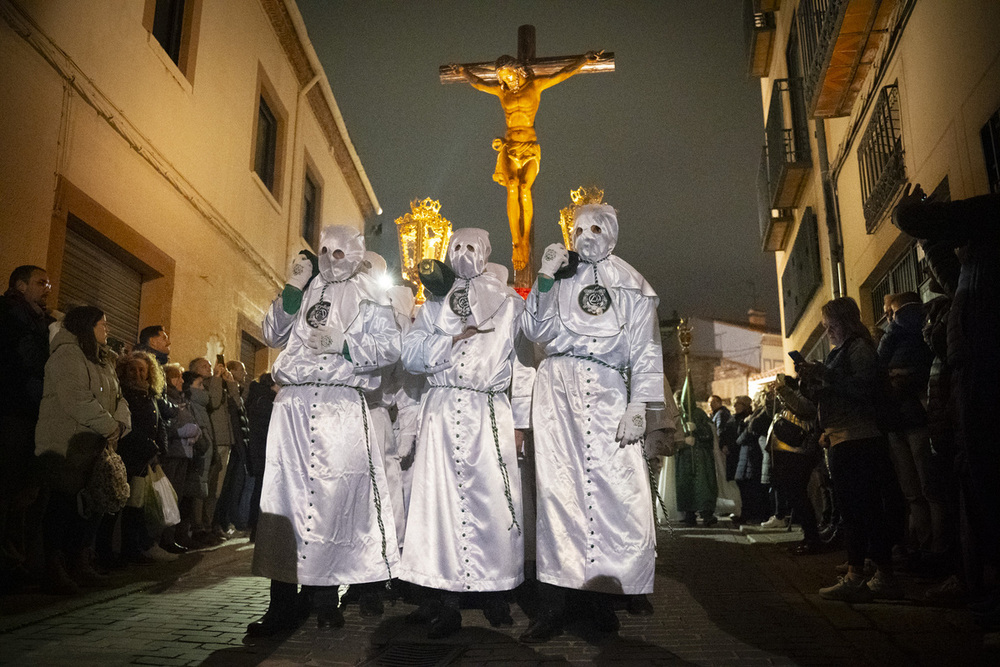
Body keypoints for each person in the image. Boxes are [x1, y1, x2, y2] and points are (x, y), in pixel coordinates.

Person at [520, 203, 665, 640]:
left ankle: (604, 600)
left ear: (612, 233)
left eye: (595, 226)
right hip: (557, 391)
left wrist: (639, 405)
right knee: (557, 494)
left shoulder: (634, 286)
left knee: (614, 495)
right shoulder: (557, 277)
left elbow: (645, 350)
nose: (585, 234)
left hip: (606, 391)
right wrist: (543, 278)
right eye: (577, 227)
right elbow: (533, 331)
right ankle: (554, 604)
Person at [249, 225, 401, 636]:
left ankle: (324, 595)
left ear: (355, 255)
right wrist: (293, 287)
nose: (330, 259)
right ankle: (280, 601)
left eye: (340, 253)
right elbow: (270, 333)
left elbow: (391, 348)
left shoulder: (372, 293)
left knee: (334, 501)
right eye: (324, 251)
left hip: (341, 405)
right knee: (285, 502)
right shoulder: (306, 287)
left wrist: (346, 345)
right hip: (294, 405)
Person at [398, 228, 533, 639]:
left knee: (491, 502)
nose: (462, 254)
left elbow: (524, 367)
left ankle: (495, 593)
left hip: (487, 410)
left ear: (487, 252)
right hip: (440, 410)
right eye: (455, 247)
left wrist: (521, 425)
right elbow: (410, 354)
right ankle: (443, 599)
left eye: (471, 247)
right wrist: (448, 339)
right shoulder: (434, 303)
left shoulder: (510, 304)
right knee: (440, 505)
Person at [893, 187, 1000, 623]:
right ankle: (988, 587)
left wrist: (914, 214)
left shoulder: (990, 221)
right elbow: (953, 278)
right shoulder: (977, 266)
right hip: (971, 374)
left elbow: (917, 221)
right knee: (978, 485)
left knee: (984, 482)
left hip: (986, 370)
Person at [448, 51, 602, 271]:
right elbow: (479, 83)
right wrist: (464, 72)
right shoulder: (503, 94)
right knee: (512, 187)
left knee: (523, 188)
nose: (506, 79)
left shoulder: (535, 86)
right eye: (502, 77)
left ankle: (525, 238)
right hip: (510, 148)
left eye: (509, 74)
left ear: (518, 70)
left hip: (529, 148)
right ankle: (516, 241)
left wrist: (584, 60)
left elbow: (563, 73)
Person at [796, 297, 902, 602]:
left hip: (858, 437)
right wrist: (809, 381)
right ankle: (874, 573)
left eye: (829, 323)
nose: (826, 329)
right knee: (858, 509)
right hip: (844, 437)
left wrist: (825, 376)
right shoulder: (843, 350)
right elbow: (830, 394)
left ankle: (862, 576)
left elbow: (863, 388)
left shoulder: (858, 348)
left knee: (861, 509)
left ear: (843, 321)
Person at [35, 306, 131, 594]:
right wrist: (109, 426)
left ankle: (80, 563)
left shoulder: (104, 360)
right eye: (103, 324)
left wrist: (121, 425)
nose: (107, 329)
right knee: (62, 506)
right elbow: (75, 397)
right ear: (87, 326)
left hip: (92, 444)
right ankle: (54, 567)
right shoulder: (67, 354)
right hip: (66, 443)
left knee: (88, 507)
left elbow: (119, 397)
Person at [878, 291, 942, 568]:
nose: (888, 318)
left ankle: (938, 549)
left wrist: (900, 375)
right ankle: (921, 546)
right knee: (913, 492)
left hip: (916, 420)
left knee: (929, 489)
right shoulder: (896, 337)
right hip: (899, 422)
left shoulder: (917, 331)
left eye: (890, 312)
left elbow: (917, 371)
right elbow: (882, 369)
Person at [0, 265, 53, 589]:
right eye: (40, 282)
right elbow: (25, 362)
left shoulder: (41, 321)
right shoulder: (9, 316)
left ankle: (16, 559)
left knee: (26, 491)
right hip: (13, 411)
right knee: (7, 488)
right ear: (20, 285)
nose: (48, 287)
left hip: (34, 413)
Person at [675, 390, 718, 527]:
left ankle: (707, 514)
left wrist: (698, 429)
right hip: (684, 457)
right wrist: (682, 441)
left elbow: (710, 432)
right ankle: (689, 514)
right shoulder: (677, 415)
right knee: (686, 485)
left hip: (701, 456)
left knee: (703, 485)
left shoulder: (700, 414)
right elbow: (671, 435)